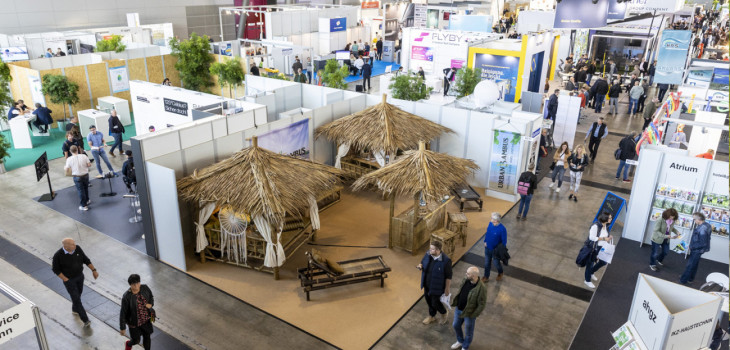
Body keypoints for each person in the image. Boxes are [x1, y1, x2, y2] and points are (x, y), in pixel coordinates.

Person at [52, 237, 99, 327]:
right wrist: (65, 279)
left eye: (74, 243)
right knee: (76, 299)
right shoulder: (58, 255)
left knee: (78, 294)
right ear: (66, 247)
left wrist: (94, 270)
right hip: (69, 280)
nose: (75, 245)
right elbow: (55, 269)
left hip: (80, 276)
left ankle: (75, 309)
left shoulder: (77, 248)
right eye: (72, 244)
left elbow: (86, 259)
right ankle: (85, 320)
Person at [450, 266, 487, 350]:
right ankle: (460, 341)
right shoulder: (465, 279)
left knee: (468, 332)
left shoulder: (481, 288)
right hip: (459, 309)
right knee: (455, 325)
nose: (465, 274)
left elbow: (482, 304)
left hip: (469, 313)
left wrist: (474, 314)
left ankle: (465, 346)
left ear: (473, 276)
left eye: (468, 273)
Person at [417, 241, 452, 325]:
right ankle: (432, 316)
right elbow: (422, 262)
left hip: (437, 286)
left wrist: (447, 289)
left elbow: (448, 276)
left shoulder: (446, 261)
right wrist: (420, 266)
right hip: (427, 284)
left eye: (432, 249)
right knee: (428, 301)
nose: (429, 250)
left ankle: (444, 313)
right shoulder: (428, 254)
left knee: (435, 303)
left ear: (437, 250)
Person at [120, 274, 154, 350]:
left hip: (145, 319)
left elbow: (151, 297)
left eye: (138, 283)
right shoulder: (126, 297)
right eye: (133, 284)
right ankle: (128, 344)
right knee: (136, 340)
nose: (136, 285)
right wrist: (122, 327)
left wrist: (151, 304)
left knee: (147, 336)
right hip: (134, 322)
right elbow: (123, 312)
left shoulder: (145, 288)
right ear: (130, 285)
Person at [680, 212, 712, 285]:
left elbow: (703, 243)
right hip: (698, 249)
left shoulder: (703, 228)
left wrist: (691, 246)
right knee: (694, 264)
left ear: (699, 219)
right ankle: (690, 278)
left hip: (697, 250)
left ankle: (683, 280)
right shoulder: (707, 225)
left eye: (694, 219)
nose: (694, 221)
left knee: (690, 265)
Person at [584, 213, 612, 289]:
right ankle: (587, 280)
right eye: (609, 218)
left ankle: (591, 272)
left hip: (602, 247)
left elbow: (605, 235)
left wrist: (608, 237)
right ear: (605, 218)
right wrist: (603, 238)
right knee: (590, 263)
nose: (611, 219)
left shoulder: (606, 225)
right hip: (594, 247)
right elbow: (591, 237)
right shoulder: (595, 226)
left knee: (603, 262)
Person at [65, 145, 92, 210]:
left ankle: (84, 206)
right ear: (77, 149)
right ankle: (87, 200)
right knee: (86, 188)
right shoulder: (84, 156)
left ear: (70, 151)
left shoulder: (69, 159)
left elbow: (67, 170)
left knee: (80, 191)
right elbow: (89, 165)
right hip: (85, 175)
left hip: (77, 177)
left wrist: (65, 168)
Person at [482, 213, 507, 283]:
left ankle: (500, 272)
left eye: (492, 219)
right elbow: (487, 233)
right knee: (487, 263)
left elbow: (504, 242)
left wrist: (499, 250)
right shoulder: (490, 224)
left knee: (496, 263)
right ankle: (486, 277)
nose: (491, 220)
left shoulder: (502, 229)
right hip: (487, 248)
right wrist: (485, 241)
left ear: (496, 221)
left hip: (495, 251)